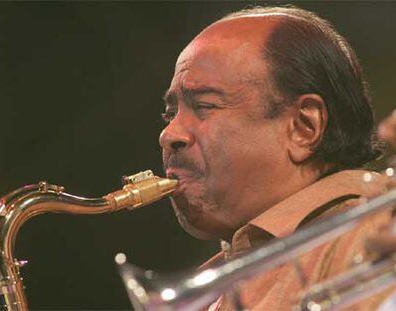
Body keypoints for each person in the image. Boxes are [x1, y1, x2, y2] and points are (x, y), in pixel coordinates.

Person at [159, 6, 393, 310]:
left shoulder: (378, 237)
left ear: (303, 127)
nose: (168, 134)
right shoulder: (213, 284)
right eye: (169, 114)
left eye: (204, 105)